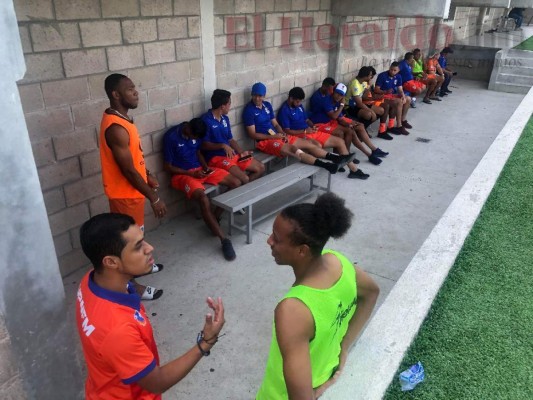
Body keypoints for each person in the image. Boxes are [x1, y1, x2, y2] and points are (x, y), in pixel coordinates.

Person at [76, 213, 225, 399]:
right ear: (111, 262)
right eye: (138, 247)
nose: (150, 248)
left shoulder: (90, 281)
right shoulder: (118, 331)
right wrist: (206, 341)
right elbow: (156, 382)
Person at [256, 193, 380, 399]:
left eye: (276, 239)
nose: (269, 241)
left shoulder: (293, 309)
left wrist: (317, 392)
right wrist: (344, 346)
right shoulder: (339, 262)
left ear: (302, 251)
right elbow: (372, 293)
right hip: (325, 372)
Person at [100, 73, 166, 300]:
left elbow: (134, 159)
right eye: (130, 89)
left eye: (135, 87)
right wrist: (154, 197)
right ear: (116, 94)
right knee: (128, 245)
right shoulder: (116, 128)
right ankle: (133, 287)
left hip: (134, 193)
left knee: (138, 236)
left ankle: (142, 266)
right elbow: (127, 171)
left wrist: (147, 175)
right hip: (124, 196)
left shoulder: (125, 120)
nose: (136, 92)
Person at [163, 118, 238, 261]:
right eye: (193, 137)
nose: (195, 140)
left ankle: (213, 218)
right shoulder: (171, 137)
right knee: (203, 199)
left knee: (235, 182)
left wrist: (205, 167)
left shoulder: (196, 134)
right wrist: (191, 173)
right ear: (188, 129)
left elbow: (197, 152)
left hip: (200, 171)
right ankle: (224, 240)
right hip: (183, 175)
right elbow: (167, 167)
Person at [243, 82, 355, 174]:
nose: (257, 98)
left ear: (264, 95)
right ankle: (326, 165)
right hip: (265, 141)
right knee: (294, 150)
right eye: (255, 95)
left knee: (311, 145)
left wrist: (282, 134)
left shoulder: (267, 105)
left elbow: (276, 124)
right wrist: (274, 136)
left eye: (260, 96)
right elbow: (252, 134)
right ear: (252, 95)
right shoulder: (249, 110)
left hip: (278, 136)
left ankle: (336, 158)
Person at [278, 87, 370, 180]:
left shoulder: (299, 106)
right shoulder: (284, 110)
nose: (299, 104)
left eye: (300, 102)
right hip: (300, 136)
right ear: (291, 98)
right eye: (297, 102)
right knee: (317, 145)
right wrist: (305, 131)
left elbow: (306, 119)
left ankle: (353, 170)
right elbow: (287, 131)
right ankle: (330, 162)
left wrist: (312, 125)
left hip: (310, 131)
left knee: (339, 141)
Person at [310, 82, 388, 166]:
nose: (338, 96)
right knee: (340, 133)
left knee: (355, 127)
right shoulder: (327, 101)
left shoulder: (337, 101)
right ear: (333, 92)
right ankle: (344, 157)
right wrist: (342, 105)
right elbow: (334, 116)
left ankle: (363, 153)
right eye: (337, 93)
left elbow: (340, 118)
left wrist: (349, 125)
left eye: (341, 95)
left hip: (330, 122)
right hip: (320, 124)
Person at [202, 89, 265, 184]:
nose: (230, 107)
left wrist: (241, 152)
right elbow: (204, 145)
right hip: (216, 158)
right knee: (244, 178)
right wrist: (222, 146)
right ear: (222, 106)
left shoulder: (225, 119)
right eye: (229, 104)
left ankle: (244, 195)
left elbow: (230, 139)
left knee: (261, 167)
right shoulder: (206, 120)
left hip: (231, 154)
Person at [345, 66, 390, 140]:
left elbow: (364, 97)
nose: (371, 77)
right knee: (368, 114)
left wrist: (368, 86)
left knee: (381, 110)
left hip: (359, 103)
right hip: (350, 107)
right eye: (370, 75)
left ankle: (364, 129)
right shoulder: (355, 84)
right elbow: (359, 103)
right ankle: (360, 131)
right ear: (365, 76)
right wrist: (371, 111)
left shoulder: (363, 82)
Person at [374, 62, 413, 135]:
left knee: (408, 99)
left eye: (395, 70)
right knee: (399, 102)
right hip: (383, 96)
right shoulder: (382, 75)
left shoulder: (398, 76)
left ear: (398, 71)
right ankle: (399, 125)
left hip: (391, 96)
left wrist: (403, 96)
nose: (392, 71)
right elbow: (376, 90)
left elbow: (400, 89)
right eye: (391, 69)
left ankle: (403, 120)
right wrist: (385, 91)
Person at [365, 67, 394, 141]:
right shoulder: (362, 83)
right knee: (385, 107)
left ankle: (383, 129)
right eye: (371, 76)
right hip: (366, 102)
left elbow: (372, 93)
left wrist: (377, 96)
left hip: (371, 100)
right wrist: (375, 97)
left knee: (391, 104)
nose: (371, 78)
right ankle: (381, 131)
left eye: (372, 76)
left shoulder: (368, 82)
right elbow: (363, 98)